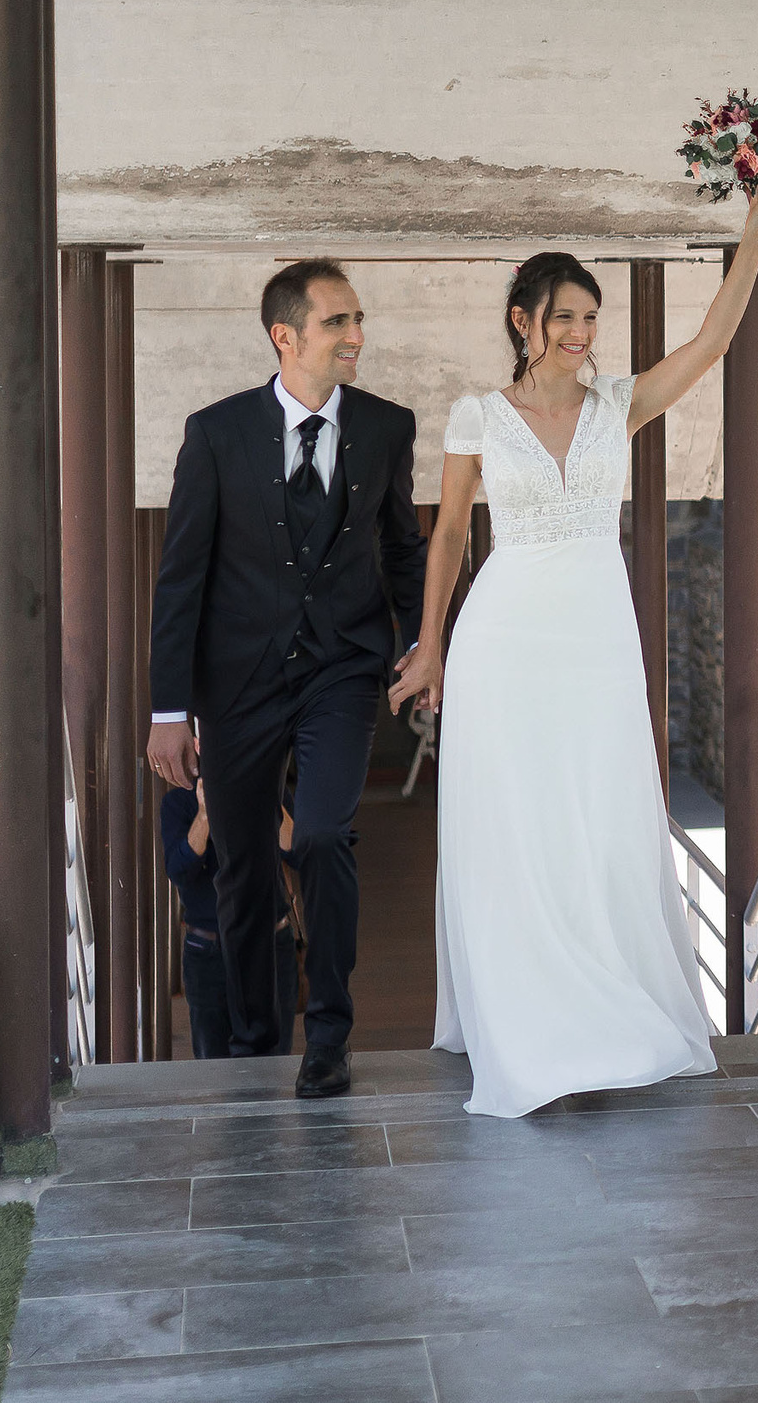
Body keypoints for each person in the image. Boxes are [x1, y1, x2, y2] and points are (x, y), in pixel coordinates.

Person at [386, 183, 758, 1116]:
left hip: (598, 642)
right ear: (524, 322)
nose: (580, 332)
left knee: (598, 817)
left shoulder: (618, 403)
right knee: (516, 827)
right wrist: (431, 647)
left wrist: (752, 240)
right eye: (564, 317)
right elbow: (445, 539)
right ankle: (524, 1022)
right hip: (504, 641)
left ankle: (608, 1007)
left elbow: (715, 345)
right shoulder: (476, 414)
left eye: (590, 318)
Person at [145, 259, 428, 1098]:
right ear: (286, 336)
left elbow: (403, 550)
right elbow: (180, 579)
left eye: (358, 320)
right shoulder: (217, 434)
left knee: (318, 834)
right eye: (339, 323)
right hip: (237, 684)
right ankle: (258, 1037)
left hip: (343, 670)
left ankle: (330, 1034)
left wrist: (424, 642)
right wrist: (170, 709)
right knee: (240, 865)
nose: (357, 337)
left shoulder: (387, 427)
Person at [159, 782, 300, 1060]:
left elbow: (297, 852)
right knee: (213, 1061)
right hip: (208, 947)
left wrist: (267, 797)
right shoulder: (179, 802)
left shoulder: (275, 790)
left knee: (276, 1058)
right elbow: (178, 871)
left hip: (270, 941)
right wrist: (205, 814)